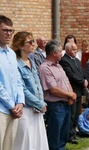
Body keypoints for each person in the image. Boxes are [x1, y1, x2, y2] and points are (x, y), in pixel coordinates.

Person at [11, 31, 49, 150]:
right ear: (21, 46)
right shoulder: (16, 64)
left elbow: (38, 85)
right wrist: (39, 103)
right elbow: (22, 90)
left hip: (36, 110)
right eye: (30, 42)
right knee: (26, 144)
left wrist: (41, 103)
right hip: (26, 111)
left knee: (38, 144)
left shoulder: (31, 61)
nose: (34, 44)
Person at [38, 39, 77, 150]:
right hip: (55, 107)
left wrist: (71, 95)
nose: (62, 53)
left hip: (65, 104)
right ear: (54, 53)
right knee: (55, 137)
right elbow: (53, 90)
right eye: (60, 51)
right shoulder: (45, 68)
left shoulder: (58, 66)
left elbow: (67, 81)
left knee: (63, 136)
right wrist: (70, 95)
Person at [0, 15, 25, 150]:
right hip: (2, 110)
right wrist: (11, 105)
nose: (9, 33)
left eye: (11, 30)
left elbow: (18, 80)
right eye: (5, 30)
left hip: (14, 110)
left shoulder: (11, 53)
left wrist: (20, 102)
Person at [59, 42, 88, 144]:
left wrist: (85, 79)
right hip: (72, 90)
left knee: (76, 114)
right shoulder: (64, 61)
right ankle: (69, 135)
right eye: (73, 49)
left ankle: (73, 133)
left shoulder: (76, 60)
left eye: (76, 49)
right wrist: (82, 81)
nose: (76, 51)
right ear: (67, 50)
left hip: (79, 91)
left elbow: (82, 72)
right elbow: (70, 75)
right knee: (71, 114)